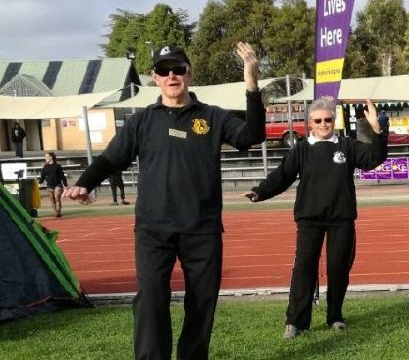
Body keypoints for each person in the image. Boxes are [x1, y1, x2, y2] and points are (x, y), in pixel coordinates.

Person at [62, 43, 264, 360]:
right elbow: (111, 159)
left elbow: (252, 136)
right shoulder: (142, 121)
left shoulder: (213, 116)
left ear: (189, 74)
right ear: (154, 77)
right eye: (163, 70)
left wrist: (251, 82)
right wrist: (84, 183)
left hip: (202, 229)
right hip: (153, 230)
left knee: (201, 305)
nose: (172, 75)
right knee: (151, 301)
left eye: (178, 69)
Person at [243, 97, 387, 339]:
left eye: (328, 119)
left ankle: (335, 316)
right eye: (318, 120)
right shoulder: (301, 149)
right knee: (303, 268)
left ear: (334, 120)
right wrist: (260, 192)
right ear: (310, 122)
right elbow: (282, 176)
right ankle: (295, 322)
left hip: (341, 219)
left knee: (338, 269)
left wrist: (377, 130)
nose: (323, 124)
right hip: (309, 219)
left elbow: (374, 158)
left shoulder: (347, 146)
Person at [39, 152, 67, 218]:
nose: (45, 158)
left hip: (58, 184)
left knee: (57, 198)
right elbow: (42, 176)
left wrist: (65, 185)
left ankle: (58, 212)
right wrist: (40, 182)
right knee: (52, 200)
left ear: (51, 157)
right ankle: (55, 212)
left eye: (46, 156)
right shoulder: (45, 167)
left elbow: (62, 175)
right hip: (50, 185)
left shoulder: (57, 166)